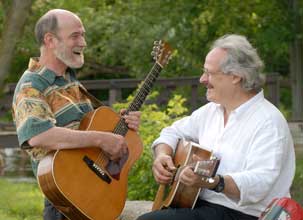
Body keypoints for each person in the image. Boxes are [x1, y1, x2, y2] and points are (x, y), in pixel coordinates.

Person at [138, 34, 295, 220]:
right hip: (200, 205)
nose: (202, 79)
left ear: (235, 76)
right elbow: (171, 132)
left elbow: (260, 183)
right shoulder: (211, 111)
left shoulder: (268, 121)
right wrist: (163, 155)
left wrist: (214, 182)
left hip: (244, 214)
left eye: (209, 73)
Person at [12, 9, 141, 220]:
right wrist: (101, 138)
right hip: (64, 199)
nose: (83, 42)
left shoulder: (70, 81)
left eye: (83, 34)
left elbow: (84, 132)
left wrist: (122, 124)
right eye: (75, 36)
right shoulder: (32, 84)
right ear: (50, 40)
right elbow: (39, 135)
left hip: (91, 192)